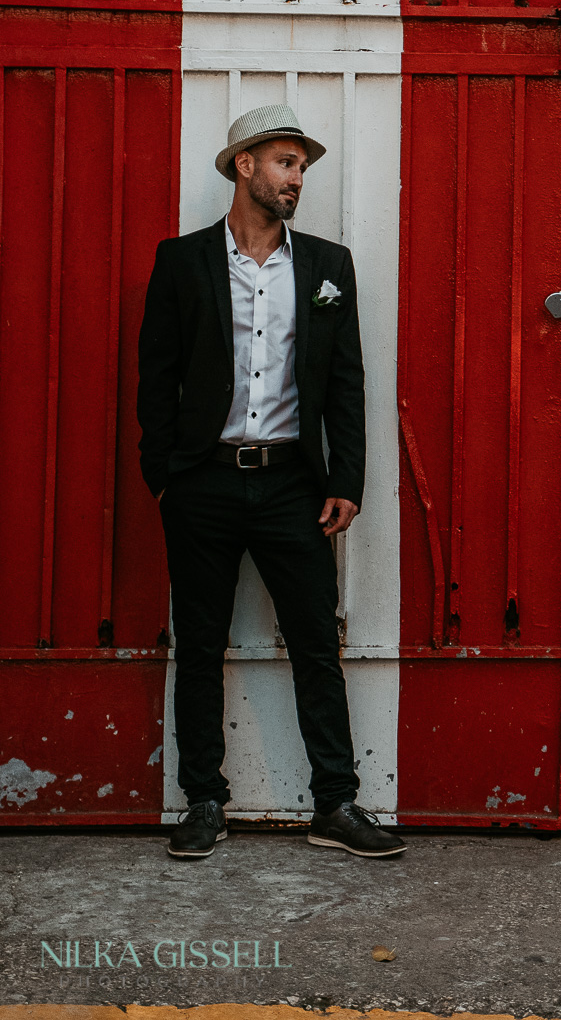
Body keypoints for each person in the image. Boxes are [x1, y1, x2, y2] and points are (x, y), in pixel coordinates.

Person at [137, 103, 405, 860]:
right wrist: (167, 477)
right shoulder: (181, 262)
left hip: (292, 485)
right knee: (199, 646)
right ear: (244, 165)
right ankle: (203, 802)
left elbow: (346, 382)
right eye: (286, 163)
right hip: (204, 486)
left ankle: (335, 804)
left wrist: (346, 478)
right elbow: (154, 380)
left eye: (303, 167)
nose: (297, 179)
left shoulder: (327, 267)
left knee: (318, 643)